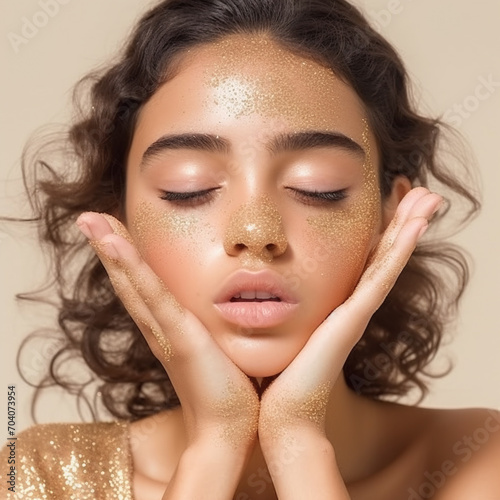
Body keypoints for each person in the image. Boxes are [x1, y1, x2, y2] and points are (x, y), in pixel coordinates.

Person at [1, 0, 499, 498]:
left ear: (391, 218)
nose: (257, 231)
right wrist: (214, 446)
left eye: (318, 186)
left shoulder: (480, 462)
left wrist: (299, 446)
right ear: (120, 224)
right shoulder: (29, 475)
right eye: (187, 187)